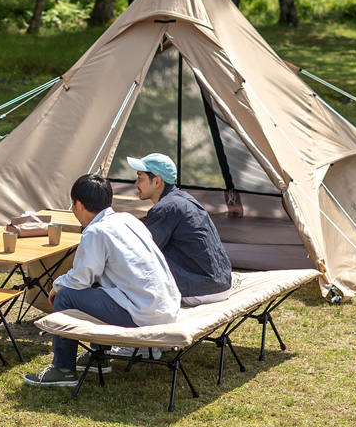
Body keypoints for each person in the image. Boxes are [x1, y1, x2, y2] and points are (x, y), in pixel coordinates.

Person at [23, 174, 180, 387]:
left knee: (65, 296)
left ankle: (63, 369)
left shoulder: (96, 231)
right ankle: (99, 356)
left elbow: (79, 280)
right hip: (166, 306)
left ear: (77, 204)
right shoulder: (128, 219)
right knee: (96, 285)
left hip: (143, 313)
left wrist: (56, 286)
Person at [127, 153, 232, 306]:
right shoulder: (184, 199)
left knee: (135, 264)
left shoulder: (165, 208)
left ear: (157, 181)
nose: (136, 184)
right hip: (220, 282)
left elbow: (142, 254)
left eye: (140, 178)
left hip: (201, 290)